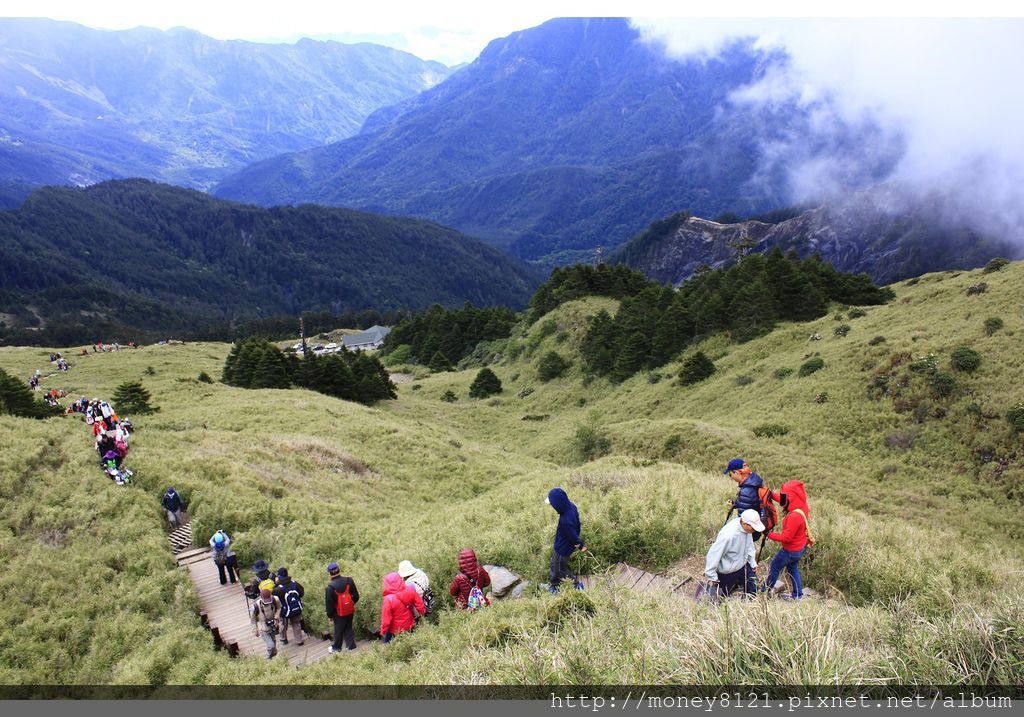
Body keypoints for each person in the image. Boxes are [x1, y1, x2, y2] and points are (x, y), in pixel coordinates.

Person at [763, 480, 812, 600]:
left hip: (790, 550)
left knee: (774, 566)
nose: (782, 497)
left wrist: (769, 534)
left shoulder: (793, 517)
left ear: (792, 497)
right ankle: (797, 596)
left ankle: (765, 592)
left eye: (784, 495)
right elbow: (786, 501)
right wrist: (771, 494)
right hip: (800, 547)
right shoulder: (802, 505)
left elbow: (786, 538)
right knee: (793, 568)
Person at [703, 509, 764, 602]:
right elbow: (713, 555)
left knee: (752, 588)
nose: (754, 530)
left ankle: (750, 605)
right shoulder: (728, 535)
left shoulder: (747, 530)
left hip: (743, 565)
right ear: (745, 524)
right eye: (753, 527)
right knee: (722, 596)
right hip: (728, 571)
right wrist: (712, 576)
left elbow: (749, 545)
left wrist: (752, 562)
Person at [546, 487, 587, 593]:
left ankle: (576, 585)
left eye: (552, 504)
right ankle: (554, 584)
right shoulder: (571, 506)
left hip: (563, 549)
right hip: (561, 544)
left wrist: (581, 545)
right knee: (554, 564)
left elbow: (573, 536)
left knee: (561, 569)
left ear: (557, 505)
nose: (552, 506)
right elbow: (577, 524)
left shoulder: (566, 520)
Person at [723, 458, 767, 537]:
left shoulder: (746, 491)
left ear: (736, 472)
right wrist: (735, 504)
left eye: (730, 474)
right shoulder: (754, 481)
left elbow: (744, 517)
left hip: (748, 532)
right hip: (755, 526)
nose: (731, 477)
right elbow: (749, 503)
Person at [380, 572, 426, 644]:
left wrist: (383, 631)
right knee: (412, 642)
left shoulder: (388, 599)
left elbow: (386, 619)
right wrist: (422, 614)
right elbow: (420, 605)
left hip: (396, 631)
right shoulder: (410, 590)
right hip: (410, 624)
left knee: (391, 645)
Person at [324, 562, 359, 654]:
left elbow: (329, 605)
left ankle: (336, 648)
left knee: (338, 630)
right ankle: (351, 645)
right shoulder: (349, 580)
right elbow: (356, 596)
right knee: (348, 627)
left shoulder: (330, 588)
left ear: (329, 573)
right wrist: (350, 603)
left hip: (338, 613)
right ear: (339, 569)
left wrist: (330, 615)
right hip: (350, 609)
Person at [273, 567, 306, 646]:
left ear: (279, 577)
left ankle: (283, 639)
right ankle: (299, 641)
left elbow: (273, 598)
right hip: (297, 609)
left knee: (283, 624)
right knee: (296, 624)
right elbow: (301, 593)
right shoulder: (295, 584)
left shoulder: (278, 589)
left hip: (284, 611)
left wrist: (277, 584)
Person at [250, 580, 281, 659]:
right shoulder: (255, 606)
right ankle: (268, 657)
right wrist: (255, 630)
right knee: (271, 645)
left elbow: (279, 608)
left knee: (273, 644)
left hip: (273, 625)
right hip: (263, 628)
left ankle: (272, 656)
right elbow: (253, 620)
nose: (267, 603)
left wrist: (276, 616)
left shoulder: (275, 599)